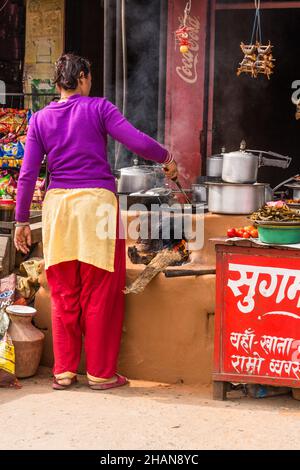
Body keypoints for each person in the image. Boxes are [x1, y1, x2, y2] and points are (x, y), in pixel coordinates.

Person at [14, 53, 178, 390]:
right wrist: (167, 157)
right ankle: (101, 373)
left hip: (58, 207)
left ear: (59, 83)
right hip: (98, 206)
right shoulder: (99, 108)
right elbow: (136, 140)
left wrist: (20, 222)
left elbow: (28, 174)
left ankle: (63, 371)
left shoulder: (40, 119)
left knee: (62, 290)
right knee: (101, 290)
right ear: (84, 77)